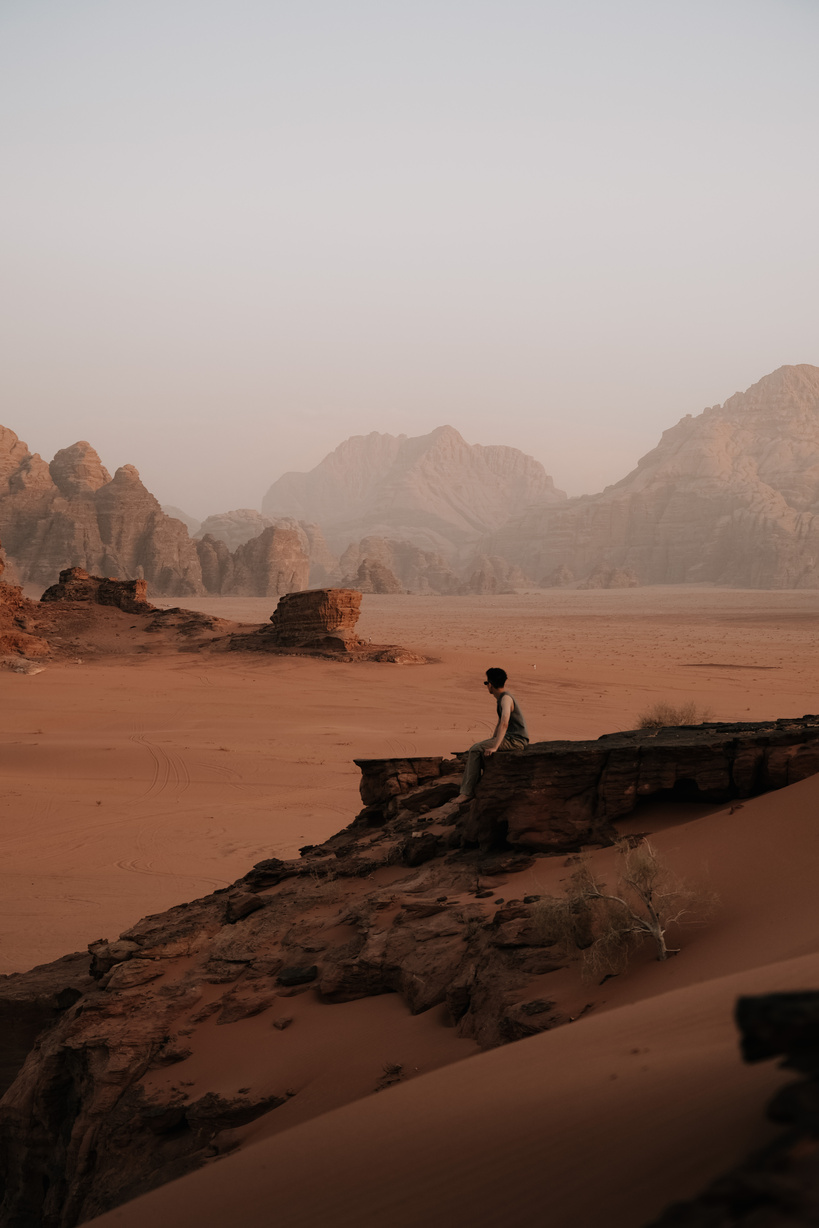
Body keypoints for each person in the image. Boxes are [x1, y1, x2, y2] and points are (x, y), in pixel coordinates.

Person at [454, 667, 529, 802]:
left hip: (516, 740)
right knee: (480, 747)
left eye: (486, 683)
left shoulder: (506, 699)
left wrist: (495, 746)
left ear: (490, 684)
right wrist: (494, 740)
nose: (486, 686)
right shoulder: (503, 698)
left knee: (475, 749)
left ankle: (467, 792)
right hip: (512, 738)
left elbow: (504, 722)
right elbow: (500, 722)